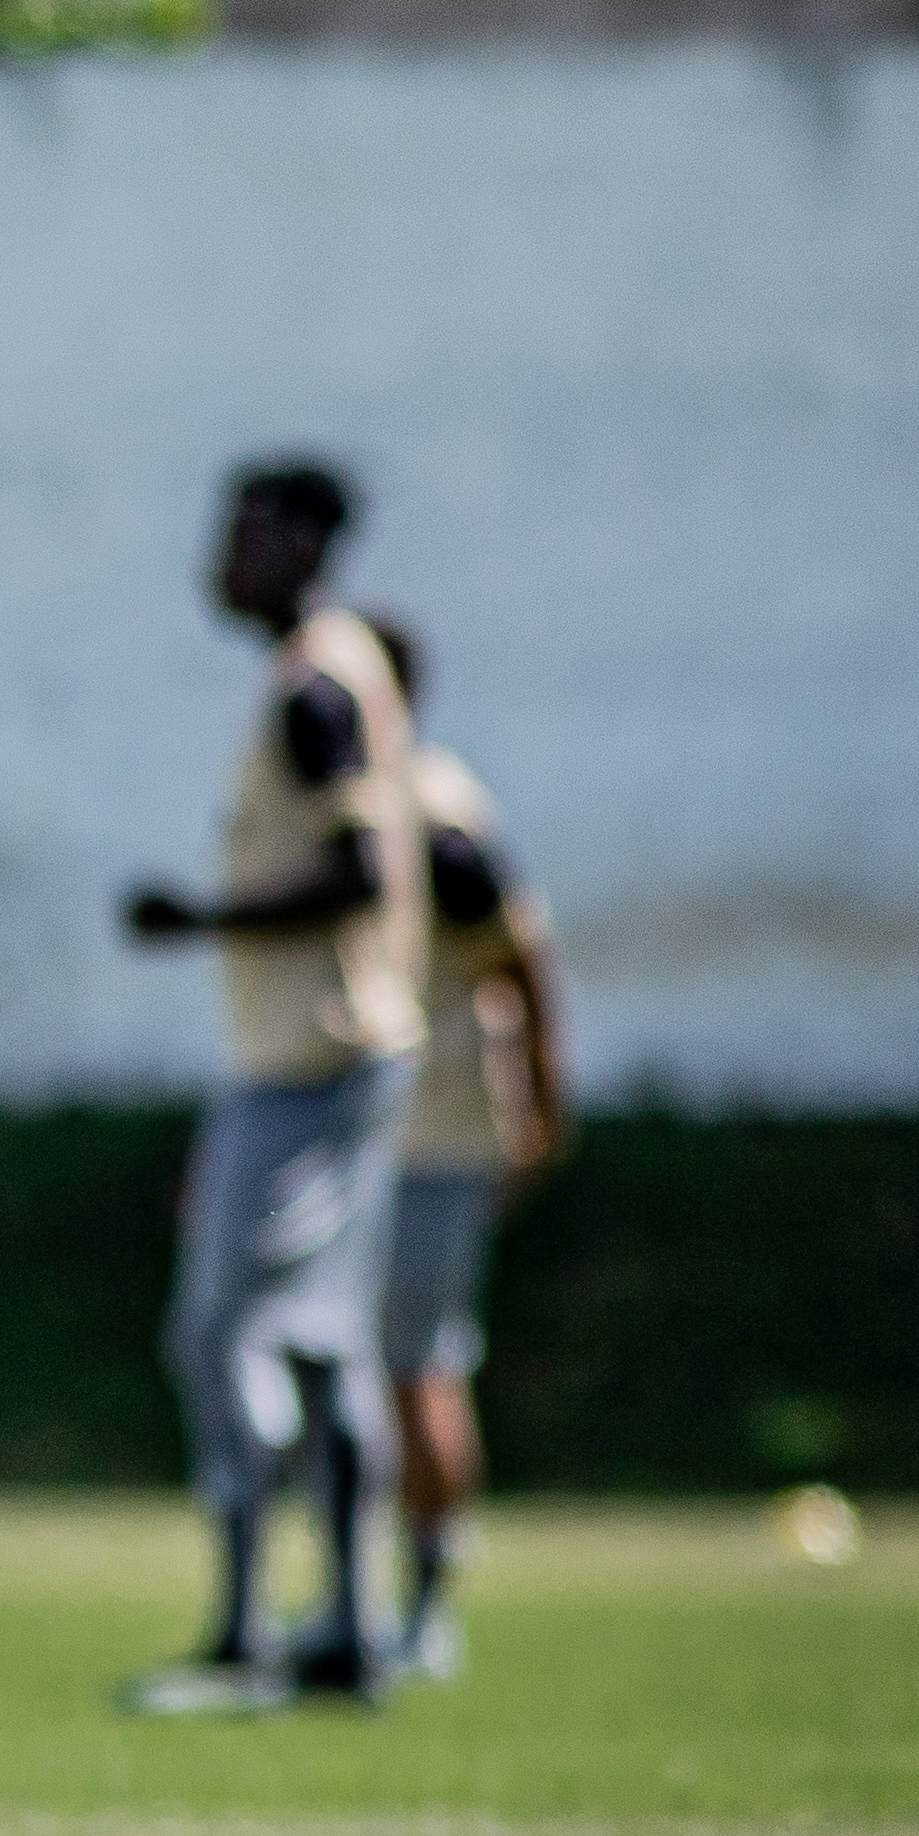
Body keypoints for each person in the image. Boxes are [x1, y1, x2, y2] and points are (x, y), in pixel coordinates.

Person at [114, 458, 428, 1712]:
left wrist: (200, 915)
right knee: (324, 1344)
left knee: (221, 1331)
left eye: (247, 533)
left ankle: (252, 1634)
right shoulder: (334, 670)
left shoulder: (313, 690)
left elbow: (355, 872)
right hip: (342, 1051)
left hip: (315, 1055)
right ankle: (346, 1629)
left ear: (308, 543)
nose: (223, 559)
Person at [361, 616, 573, 1685]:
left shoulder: (431, 818)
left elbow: (520, 960)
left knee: (413, 1367)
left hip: (426, 1132)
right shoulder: (360, 806)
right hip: (368, 1136)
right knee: (357, 1372)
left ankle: (425, 1607)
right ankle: (359, 1600)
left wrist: (538, 1101)